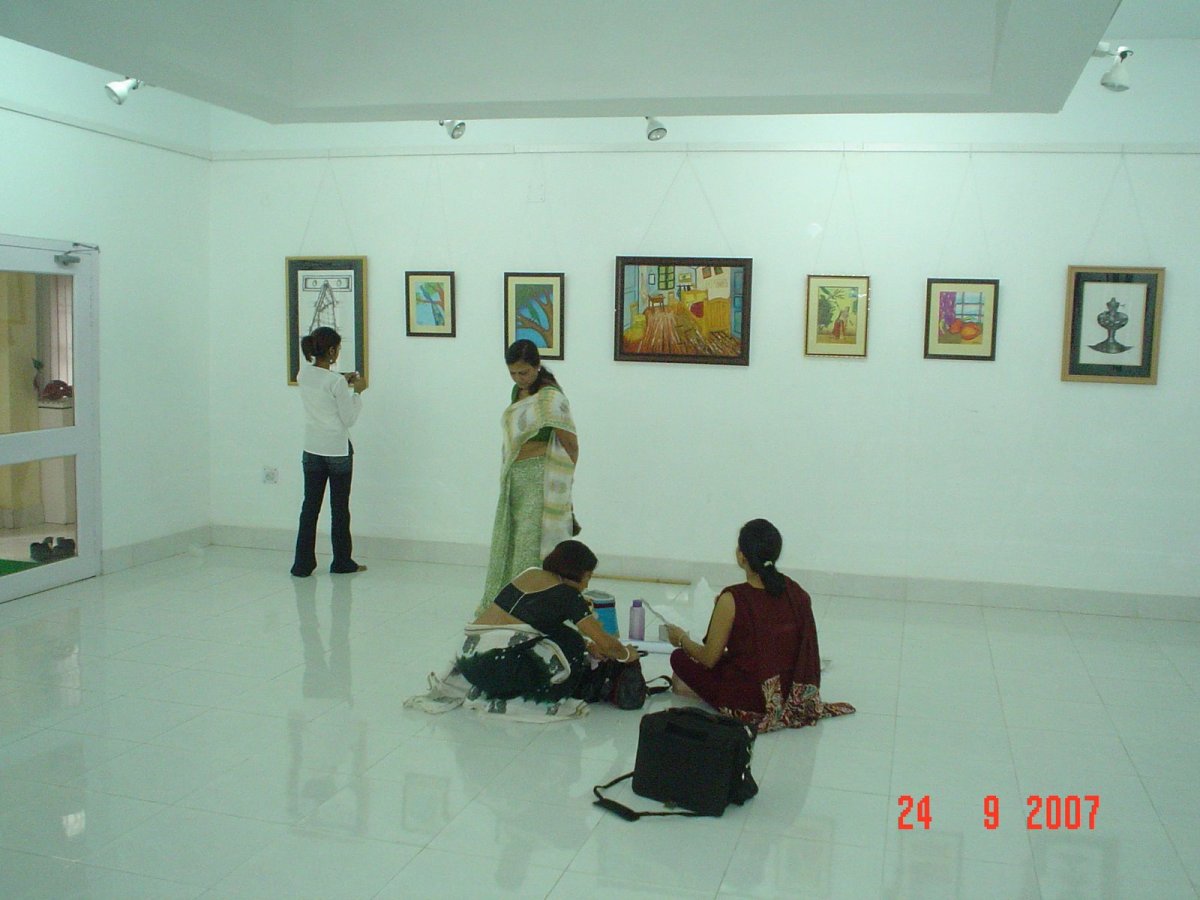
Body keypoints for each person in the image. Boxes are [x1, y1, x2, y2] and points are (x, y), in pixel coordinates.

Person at [406, 541, 636, 721]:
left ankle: (489, 688)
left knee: (564, 636)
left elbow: (538, 622)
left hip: (467, 663)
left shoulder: (530, 574)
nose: (586, 585)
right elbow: (606, 643)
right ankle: (515, 698)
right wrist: (627, 654)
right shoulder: (568, 595)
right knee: (572, 643)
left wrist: (590, 646)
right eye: (587, 577)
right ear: (575, 572)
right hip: (498, 666)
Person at [665, 519, 855, 733]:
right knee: (725, 661)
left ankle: (696, 691)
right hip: (790, 692)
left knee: (679, 658)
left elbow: (709, 658)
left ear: (741, 556)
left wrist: (681, 638)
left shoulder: (733, 598)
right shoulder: (796, 592)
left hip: (750, 700)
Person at [477, 340, 578, 614]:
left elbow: (570, 442)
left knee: (530, 541)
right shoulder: (517, 392)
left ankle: (529, 606)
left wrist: (566, 484)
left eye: (524, 372)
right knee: (511, 536)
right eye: (513, 373)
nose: (518, 378)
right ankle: (505, 602)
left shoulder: (550, 397)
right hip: (516, 477)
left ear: (537, 366)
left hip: (539, 477)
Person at [290, 327, 367, 577]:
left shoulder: (303, 374)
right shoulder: (336, 382)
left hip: (312, 448)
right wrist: (357, 392)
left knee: (310, 507)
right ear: (332, 351)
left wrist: (342, 381)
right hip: (337, 450)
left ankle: (302, 564)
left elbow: (322, 382)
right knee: (339, 508)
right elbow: (349, 418)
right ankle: (342, 561)